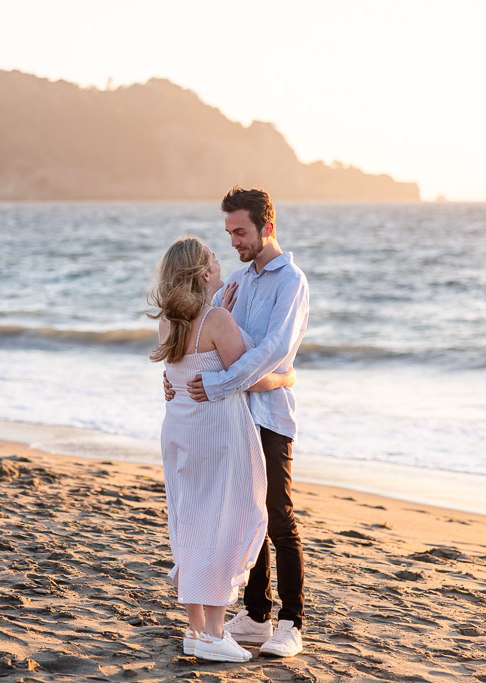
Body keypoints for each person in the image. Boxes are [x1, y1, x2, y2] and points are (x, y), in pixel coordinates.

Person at [165, 186, 309, 658]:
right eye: (228, 233)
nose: (234, 242)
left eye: (241, 232)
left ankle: (291, 621)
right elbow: (210, 338)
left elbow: (272, 351)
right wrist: (185, 379)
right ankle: (256, 614)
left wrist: (224, 383)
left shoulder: (291, 281)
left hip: (268, 415)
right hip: (229, 420)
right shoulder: (238, 281)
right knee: (243, 515)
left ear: (267, 227)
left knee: (277, 516)